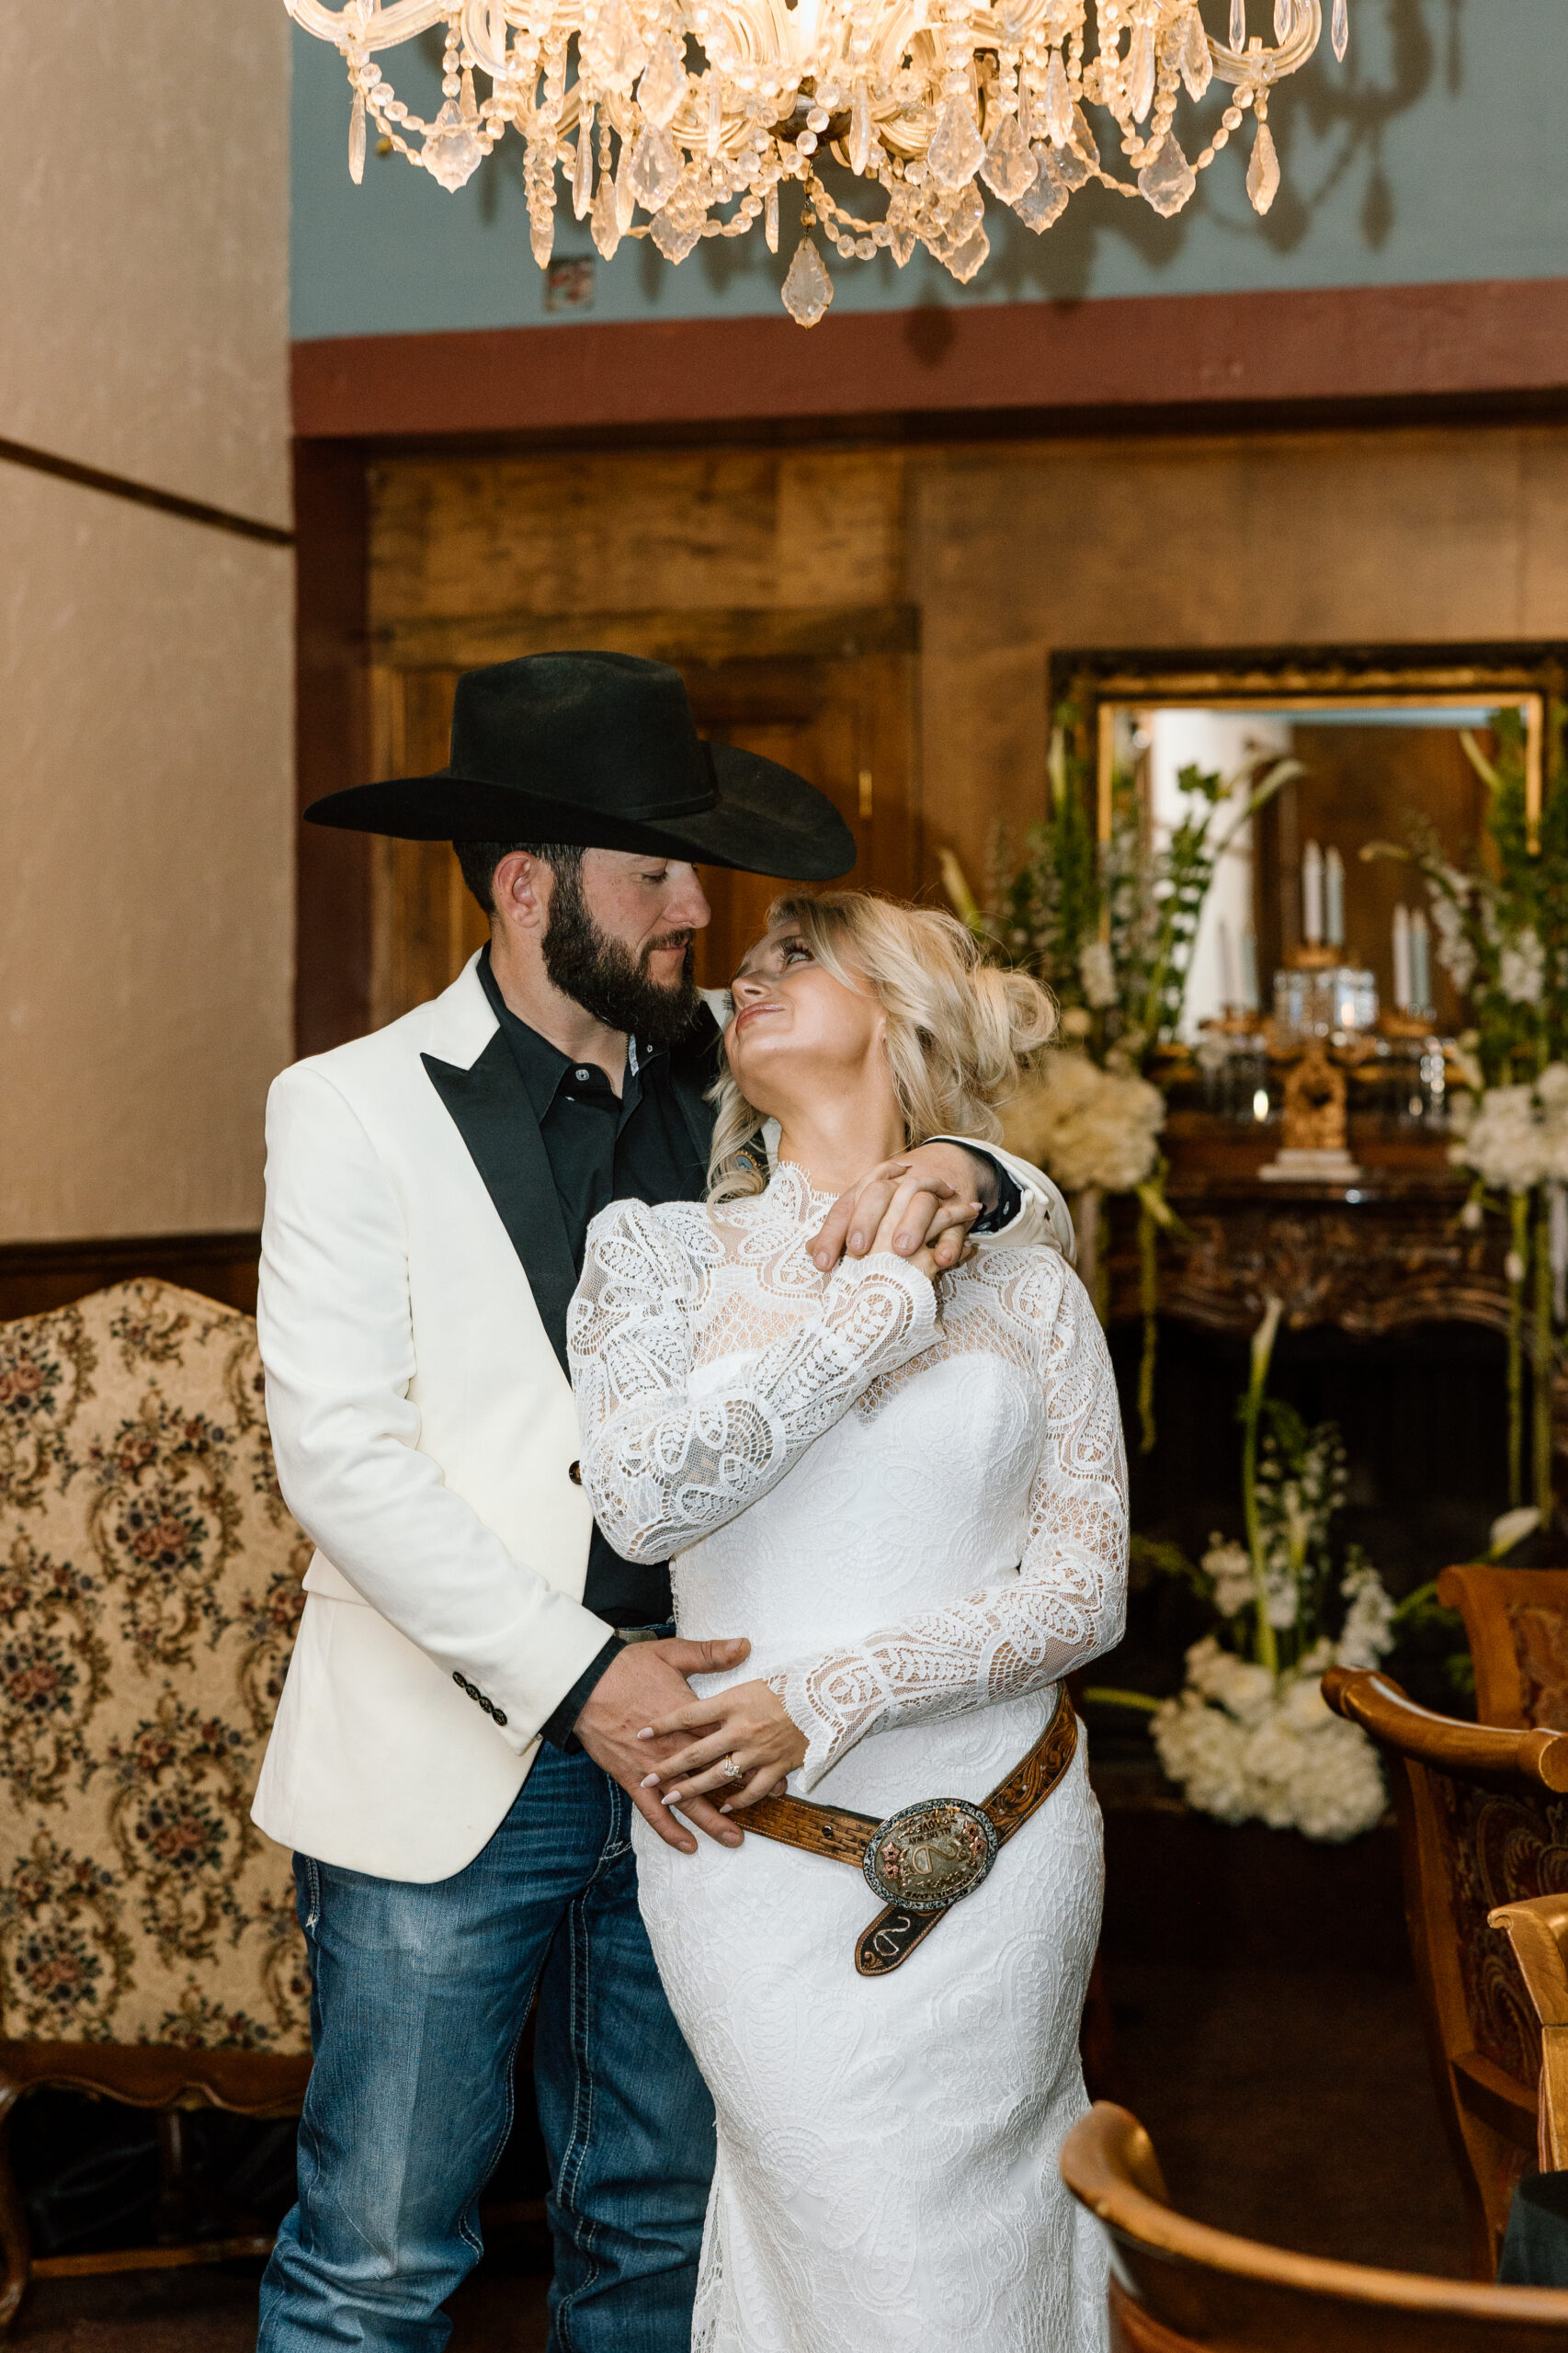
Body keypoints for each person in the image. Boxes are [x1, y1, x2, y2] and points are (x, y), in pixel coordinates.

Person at [251, 652, 1063, 2352]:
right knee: (380, 2255)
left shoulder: (726, 1074)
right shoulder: (344, 1107)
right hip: (454, 1747)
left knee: (653, 2232)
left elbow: (971, 1163)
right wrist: (576, 1675)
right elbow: (338, 1456)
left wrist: (982, 1176)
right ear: (529, 885)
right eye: (655, 871)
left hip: (724, 1770)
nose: (700, 907)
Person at [568, 890, 1129, 2353]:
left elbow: (1082, 1590)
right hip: (756, 1852)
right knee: (852, 2236)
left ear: (899, 1010)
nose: (743, 978)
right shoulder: (654, 1254)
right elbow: (643, 1503)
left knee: (997, 2229)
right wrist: (867, 1311)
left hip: (1007, 1829)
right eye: (740, 967)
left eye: (793, 956)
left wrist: (836, 1691)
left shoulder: (1032, 1282)